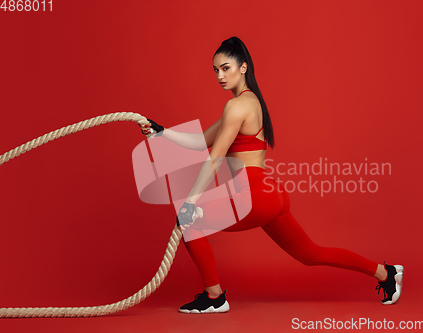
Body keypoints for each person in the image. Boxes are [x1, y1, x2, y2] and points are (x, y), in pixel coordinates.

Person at [140, 36, 404, 314]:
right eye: (215, 70)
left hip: (251, 194)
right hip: (270, 194)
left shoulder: (236, 106)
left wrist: (191, 203)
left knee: (189, 220)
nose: (220, 75)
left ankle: (214, 297)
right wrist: (161, 132)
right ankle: (386, 273)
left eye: (226, 68)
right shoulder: (249, 103)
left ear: (243, 68)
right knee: (312, 254)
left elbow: (214, 158)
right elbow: (200, 141)